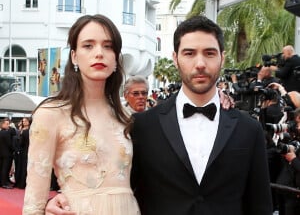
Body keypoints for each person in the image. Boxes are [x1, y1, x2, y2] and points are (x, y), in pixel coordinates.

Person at [45, 15, 268, 215]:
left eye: (209, 53)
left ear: (222, 58)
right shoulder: (142, 125)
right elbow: (117, 184)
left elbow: (260, 206)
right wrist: (65, 198)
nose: (200, 63)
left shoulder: (249, 129)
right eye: (189, 53)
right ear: (175, 58)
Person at [23, 15, 140, 215]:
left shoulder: (125, 117)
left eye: (108, 46)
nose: (99, 53)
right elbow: (34, 201)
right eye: (88, 45)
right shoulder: (51, 114)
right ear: (74, 56)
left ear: (116, 58)